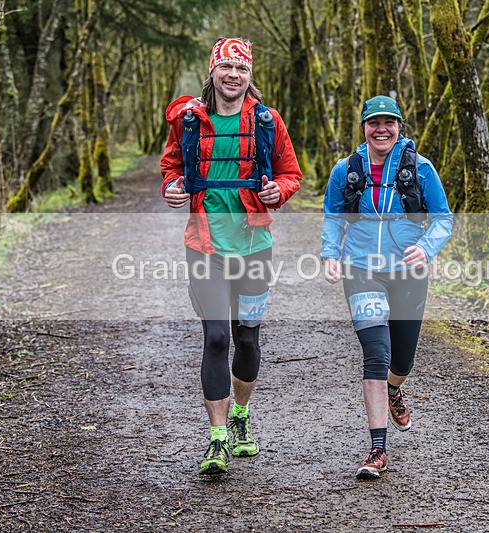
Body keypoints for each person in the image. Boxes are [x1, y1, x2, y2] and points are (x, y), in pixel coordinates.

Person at [160, 37, 302, 475]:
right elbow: (170, 167)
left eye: (240, 69)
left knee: (246, 338)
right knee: (216, 337)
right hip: (204, 244)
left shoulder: (266, 120)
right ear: (213, 73)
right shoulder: (188, 121)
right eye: (225, 68)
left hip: (255, 246)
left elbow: (290, 172)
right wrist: (171, 187)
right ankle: (217, 440)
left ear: (249, 76)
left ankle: (241, 416)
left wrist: (281, 191)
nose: (233, 75)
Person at [321, 95, 453, 479]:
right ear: (363, 127)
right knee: (376, 355)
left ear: (400, 126)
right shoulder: (346, 169)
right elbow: (333, 215)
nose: (382, 129)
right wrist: (331, 254)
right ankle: (377, 449)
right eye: (374, 122)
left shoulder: (421, 168)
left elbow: (443, 218)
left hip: (408, 270)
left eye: (389, 122)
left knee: (403, 360)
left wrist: (426, 249)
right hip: (361, 268)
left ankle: (396, 389)